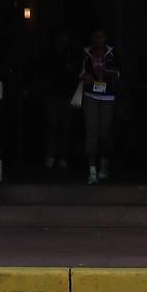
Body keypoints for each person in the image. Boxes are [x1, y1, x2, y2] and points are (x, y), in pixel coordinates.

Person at [80, 27, 119, 185]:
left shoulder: (112, 53)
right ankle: (92, 171)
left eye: (101, 36)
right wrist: (85, 76)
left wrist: (109, 72)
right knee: (91, 132)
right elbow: (78, 71)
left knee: (105, 134)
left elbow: (121, 72)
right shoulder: (85, 53)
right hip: (91, 95)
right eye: (96, 36)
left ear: (106, 38)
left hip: (108, 96)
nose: (98, 40)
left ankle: (104, 165)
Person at [41, 27, 80, 173]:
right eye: (61, 37)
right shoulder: (49, 54)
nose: (63, 40)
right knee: (52, 126)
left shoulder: (70, 54)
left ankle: (62, 158)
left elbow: (76, 73)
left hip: (66, 94)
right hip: (52, 94)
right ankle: (50, 156)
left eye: (65, 37)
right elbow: (44, 72)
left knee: (65, 127)